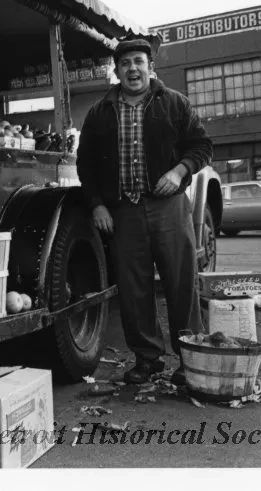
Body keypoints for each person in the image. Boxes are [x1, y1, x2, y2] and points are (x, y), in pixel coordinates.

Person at [76, 36, 213, 385]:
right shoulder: (100, 112)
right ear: (116, 70)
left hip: (168, 207)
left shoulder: (175, 104)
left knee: (182, 284)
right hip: (124, 212)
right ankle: (148, 360)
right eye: (125, 63)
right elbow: (85, 164)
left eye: (138, 61)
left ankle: (191, 360)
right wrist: (97, 205)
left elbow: (201, 146)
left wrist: (179, 170)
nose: (132, 69)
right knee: (134, 290)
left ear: (150, 67)